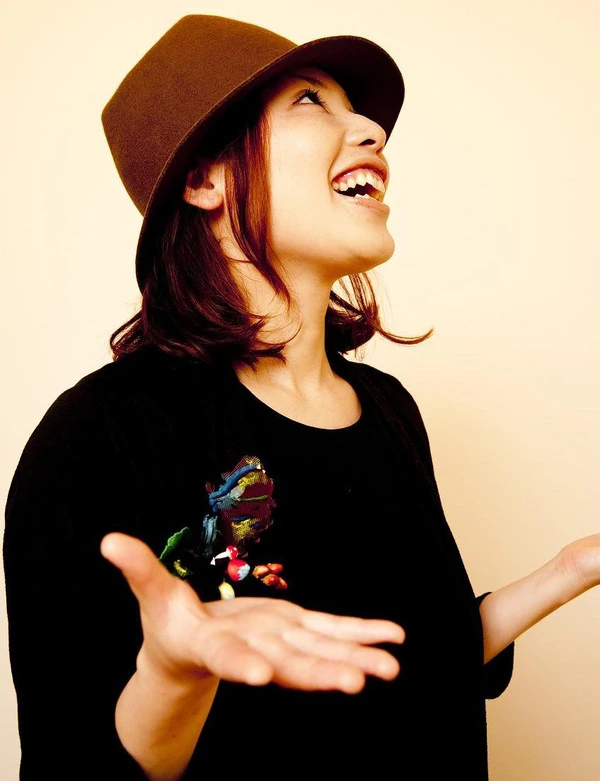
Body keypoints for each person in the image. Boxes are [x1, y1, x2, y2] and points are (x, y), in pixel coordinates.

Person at [3, 14, 600, 781]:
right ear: (205, 177)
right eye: (312, 101)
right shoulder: (98, 434)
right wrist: (174, 674)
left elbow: (411, 661)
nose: (372, 131)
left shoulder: (389, 410)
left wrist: (569, 570)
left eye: (357, 110)